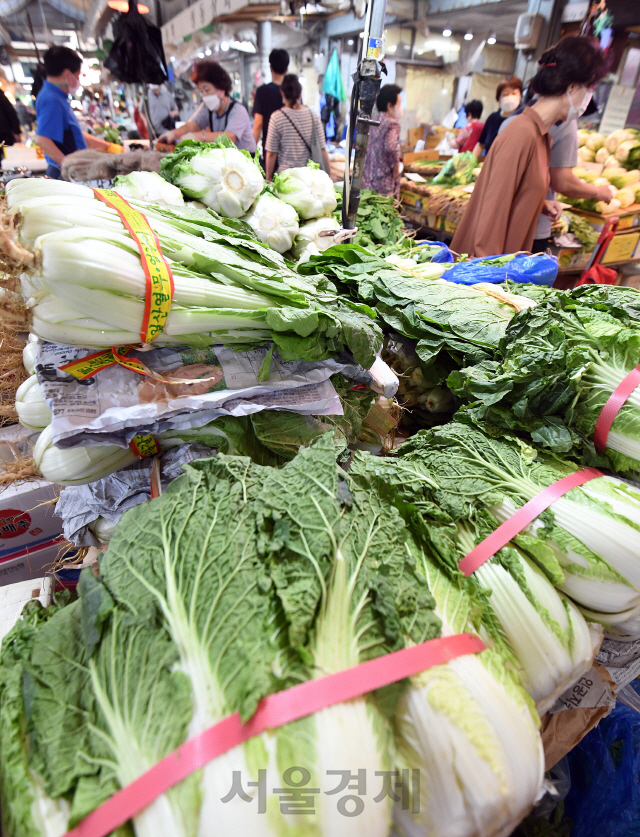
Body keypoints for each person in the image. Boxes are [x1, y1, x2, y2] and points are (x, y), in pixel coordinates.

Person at [451, 36, 608, 259]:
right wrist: (489, 280)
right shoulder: (522, 133)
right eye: (590, 88)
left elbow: (510, 191)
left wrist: (536, 202)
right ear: (572, 87)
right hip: (486, 268)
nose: (589, 97)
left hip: (504, 261)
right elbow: (490, 218)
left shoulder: (539, 135)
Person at [501, 91, 612, 252]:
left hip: (504, 224)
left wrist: (542, 203)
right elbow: (563, 182)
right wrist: (597, 192)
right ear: (572, 88)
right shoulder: (561, 125)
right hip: (529, 230)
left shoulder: (516, 118)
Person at [158, 61, 255, 152]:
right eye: (201, 91)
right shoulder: (207, 109)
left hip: (246, 160)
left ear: (221, 89)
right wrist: (174, 134)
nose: (204, 96)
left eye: (207, 90)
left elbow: (229, 137)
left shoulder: (238, 110)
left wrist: (198, 137)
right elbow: (191, 126)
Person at [34, 47, 90, 178]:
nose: (78, 80)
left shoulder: (57, 96)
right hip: (62, 174)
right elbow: (42, 139)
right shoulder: (51, 99)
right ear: (67, 74)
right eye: (77, 75)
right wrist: (70, 167)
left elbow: (71, 133)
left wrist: (107, 146)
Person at [264, 73, 330, 180]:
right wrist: (329, 176)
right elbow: (322, 148)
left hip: (286, 178)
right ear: (300, 92)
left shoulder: (277, 117)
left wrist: (268, 178)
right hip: (309, 178)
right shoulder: (313, 115)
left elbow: (271, 153)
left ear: (282, 92)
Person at [361, 84, 403, 198]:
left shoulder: (373, 120)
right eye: (399, 104)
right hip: (383, 186)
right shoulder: (392, 123)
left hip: (367, 182)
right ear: (390, 106)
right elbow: (391, 147)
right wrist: (396, 170)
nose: (401, 108)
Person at [472, 76, 523, 159]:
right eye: (506, 94)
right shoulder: (492, 118)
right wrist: (471, 160)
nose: (510, 97)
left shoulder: (522, 120)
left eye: (514, 93)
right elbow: (481, 144)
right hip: (489, 165)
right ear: (498, 99)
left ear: (520, 96)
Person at [252, 48, 288, 150]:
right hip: (292, 151)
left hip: (270, 150)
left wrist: (251, 150)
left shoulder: (262, 91)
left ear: (270, 68)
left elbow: (258, 124)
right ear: (286, 70)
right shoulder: (293, 92)